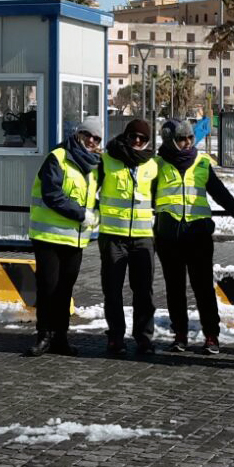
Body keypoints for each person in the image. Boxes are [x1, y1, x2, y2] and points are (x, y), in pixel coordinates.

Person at [153, 118, 234, 355]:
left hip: (198, 237)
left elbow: (221, 195)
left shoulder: (201, 163)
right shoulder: (157, 164)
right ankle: (180, 335)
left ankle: (211, 336)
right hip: (169, 238)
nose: (187, 143)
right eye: (181, 139)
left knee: (203, 289)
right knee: (174, 289)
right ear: (170, 140)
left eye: (189, 138)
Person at [27, 116, 102, 357]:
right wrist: (81, 214)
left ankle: (61, 338)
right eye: (88, 135)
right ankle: (43, 336)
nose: (91, 140)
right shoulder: (58, 157)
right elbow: (52, 194)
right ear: (78, 134)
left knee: (65, 291)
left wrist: (96, 211)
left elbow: (92, 197)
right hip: (49, 237)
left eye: (97, 138)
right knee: (48, 288)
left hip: (75, 240)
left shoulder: (94, 166)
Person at [98, 119, 158, 357]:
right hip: (113, 236)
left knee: (144, 291)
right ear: (125, 135)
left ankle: (144, 338)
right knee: (112, 290)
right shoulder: (107, 159)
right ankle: (115, 337)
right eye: (133, 136)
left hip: (143, 237)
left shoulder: (153, 165)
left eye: (142, 139)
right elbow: (91, 190)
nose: (137, 141)